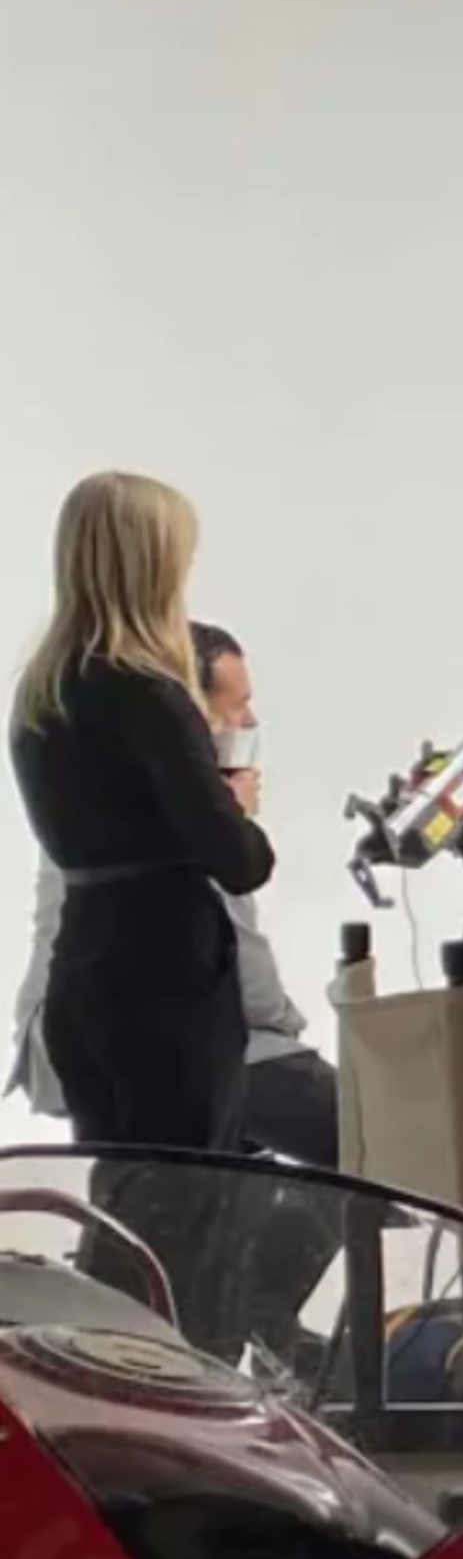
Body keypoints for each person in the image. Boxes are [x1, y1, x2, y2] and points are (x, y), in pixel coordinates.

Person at [7, 475, 274, 1152]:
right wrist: (236, 807)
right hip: (167, 988)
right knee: (187, 1207)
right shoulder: (150, 694)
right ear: (150, 564)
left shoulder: (40, 693)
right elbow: (239, 863)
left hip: (84, 977)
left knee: (116, 1202)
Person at [11, 621, 336, 1161]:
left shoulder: (99, 784)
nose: (248, 720)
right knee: (370, 1135)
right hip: (164, 1027)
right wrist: (231, 818)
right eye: (235, 705)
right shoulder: (178, 812)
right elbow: (248, 976)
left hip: (81, 1021)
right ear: (189, 710)